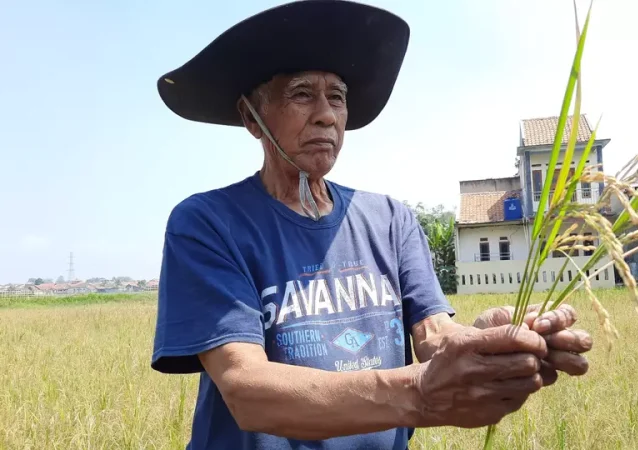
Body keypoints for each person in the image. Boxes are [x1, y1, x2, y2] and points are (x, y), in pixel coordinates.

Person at [151, 1, 593, 449]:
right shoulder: (209, 224)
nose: (326, 114)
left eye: (337, 97)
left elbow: (434, 334)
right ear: (252, 117)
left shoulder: (390, 220)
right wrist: (420, 392)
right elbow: (247, 391)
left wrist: (484, 343)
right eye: (302, 94)